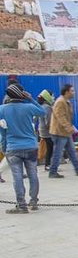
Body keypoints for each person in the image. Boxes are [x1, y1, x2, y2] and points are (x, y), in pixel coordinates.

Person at [0, 83, 45, 213]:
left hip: (13, 148)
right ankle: (34, 201)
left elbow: (3, 131)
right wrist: (31, 98)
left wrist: (4, 147)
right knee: (33, 174)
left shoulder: (2, 109)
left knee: (17, 176)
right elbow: (42, 112)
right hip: (31, 146)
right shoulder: (29, 107)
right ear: (22, 94)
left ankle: (22, 205)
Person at [49, 84, 78, 178]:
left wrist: (70, 128)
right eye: (72, 91)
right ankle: (53, 171)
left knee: (71, 151)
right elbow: (61, 117)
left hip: (65, 132)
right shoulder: (60, 102)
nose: (73, 93)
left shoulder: (66, 101)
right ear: (67, 92)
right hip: (59, 132)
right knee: (58, 153)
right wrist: (69, 128)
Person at [36, 89, 54, 171]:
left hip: (42, 130)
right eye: (52, 96)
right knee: (51, 148)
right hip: (47, 131)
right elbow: (48, 121)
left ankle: (48, 165)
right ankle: (48, 165)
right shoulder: (47, 107)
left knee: (49, 148)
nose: (53, 97)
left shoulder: (41, 106)